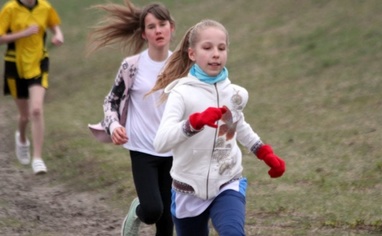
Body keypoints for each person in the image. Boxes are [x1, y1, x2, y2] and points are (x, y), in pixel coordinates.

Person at [150, 19, 286, 236]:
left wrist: (265, 153)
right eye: (207, 48)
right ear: (192, 54)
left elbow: (238, 125)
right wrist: (193, 124)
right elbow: (161, 142)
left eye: (221, 48)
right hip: (188, 189)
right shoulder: (180, 93)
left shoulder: (235, 94)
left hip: (227, 181)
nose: (216, 54)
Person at [86, 1, 175, 235]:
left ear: (171, 28)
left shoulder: (182, 65)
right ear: (144, 34)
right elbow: (111, 102)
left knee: (167, 221)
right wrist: (114, 125)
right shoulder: (132, 66)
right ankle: (138, 211)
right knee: (153, 209)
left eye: (162, 24)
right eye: (152, 26)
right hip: (142, 149)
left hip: (173, 150)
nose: (158, 30)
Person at [0, 0, 64, 175]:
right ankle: (21, 138)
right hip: (15, 65)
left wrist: (58, 34)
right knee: (24, 115)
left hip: (38, 63)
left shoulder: (45, 7)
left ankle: (37, 158)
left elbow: (53, 24)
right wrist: (24, 33)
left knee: (36, 109)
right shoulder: (10, 9)